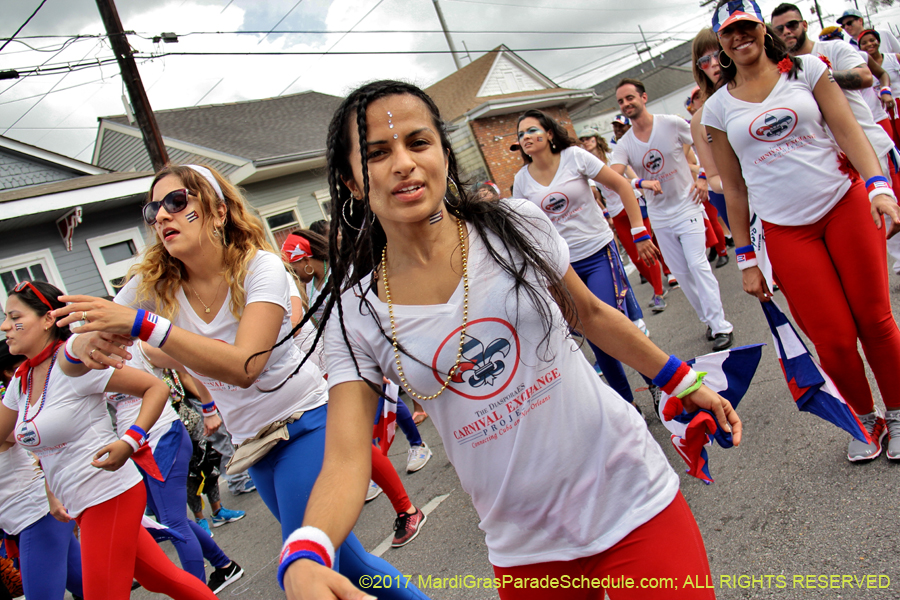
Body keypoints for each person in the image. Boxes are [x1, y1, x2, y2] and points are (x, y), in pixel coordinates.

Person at [279, 79, 741, 600]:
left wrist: (682, 380)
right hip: (526, 551)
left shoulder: (514, 225)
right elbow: (345, 456)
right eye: (377, 153)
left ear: (443, 154)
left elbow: (591, 314)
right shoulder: (356, 313)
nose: (404, 163)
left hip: (630, 494)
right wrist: (306, 552)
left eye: (419, 142)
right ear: (352, 181)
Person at [52, 165, 428, 599]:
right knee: (356, 567)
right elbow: (73, 359)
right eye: (153, 210)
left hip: (309, 424)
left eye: (177, 201)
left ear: (218, 211)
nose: (162, 215)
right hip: (255, 445)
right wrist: (78, 349)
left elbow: (245, 366)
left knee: (304, 572)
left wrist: (144, 325)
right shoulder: (153, 283)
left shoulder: (259, 267)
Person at [702, 0, 900, 462]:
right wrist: (747, 260)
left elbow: (848, 130)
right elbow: (734, 189)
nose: (739, 37)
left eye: (746, 27)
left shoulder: (807, 69)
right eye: (729, 32)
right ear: (721, 43)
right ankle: (863, 418)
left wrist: (878, 188)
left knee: (874, 320)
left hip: (844, 205)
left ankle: (898, 412)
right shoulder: (716, 108)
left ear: (762, 29)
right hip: (787, 231)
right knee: (832, 338)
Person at [0, 281, 218, 600]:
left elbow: (155, 388)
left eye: (14, 317)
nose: (5, 326)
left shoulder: (76, 363)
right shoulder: (22, 381)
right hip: (81, 503)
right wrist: (51, 494)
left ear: (47, 319)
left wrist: (130, 441)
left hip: (108, 495)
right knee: (164, 579)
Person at [281, 229, 430, 548]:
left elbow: (361, 314)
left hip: (356, 359)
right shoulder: (311, 285)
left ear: (305, 260)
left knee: (376, 419)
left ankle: (417, 450)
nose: (293, 273)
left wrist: (375, 359)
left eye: (294, 266)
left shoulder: (337, 273)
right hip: (332, 366)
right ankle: (391, 497)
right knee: (358, 438)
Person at [513, 109, 663, 411]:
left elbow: (621, 185)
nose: (525, 137)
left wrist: (639, 232)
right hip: (561, 267)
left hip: (597, 253)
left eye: (531, 130)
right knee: (594, 336)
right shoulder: (521, 180)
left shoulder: (574, 157)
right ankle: (626, 406)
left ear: (549, 134)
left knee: (609, 323)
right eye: (521, 134)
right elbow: (524, 228)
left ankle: (657, 383)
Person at [107, 342, 245, 594]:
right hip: (133, 447)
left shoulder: (142, 348)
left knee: (172, 521)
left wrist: (209, 408)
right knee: (168, 520)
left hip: (163, 437)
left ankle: (197, 593)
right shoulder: (96, 359)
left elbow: (192, 363)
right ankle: (225, 566)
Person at [610, 78, 735, 351]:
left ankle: (721, 326)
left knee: (698, 264)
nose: (626, 104)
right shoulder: (626, 144)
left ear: (643, 97)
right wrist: (639, 182)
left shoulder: (671, 123)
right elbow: (612, 178)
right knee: (681, 272)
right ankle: (710, 321)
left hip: (688, 205)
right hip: (660, 217)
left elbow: (706, 144)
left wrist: (703, 177)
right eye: (621, 101)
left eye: (630, 98)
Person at [0, 342, 84, 600]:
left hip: (37, 513)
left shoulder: (4, 412)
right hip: (28, 517)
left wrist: (53, 493)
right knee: (91, 588)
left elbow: (42, 443)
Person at [577, 126, 670, 311]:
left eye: (588, 138)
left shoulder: (614, 156)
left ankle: (659, 293)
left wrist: (647, 195)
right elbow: (594, 194)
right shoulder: (586, 165)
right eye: (583, 139)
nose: (585, 142)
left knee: (647, 247)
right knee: (636, 257)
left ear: (596, 138)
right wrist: (604, 212)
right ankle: (659, 284)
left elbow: (631, 178)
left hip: (634, 204)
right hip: (616, 212)